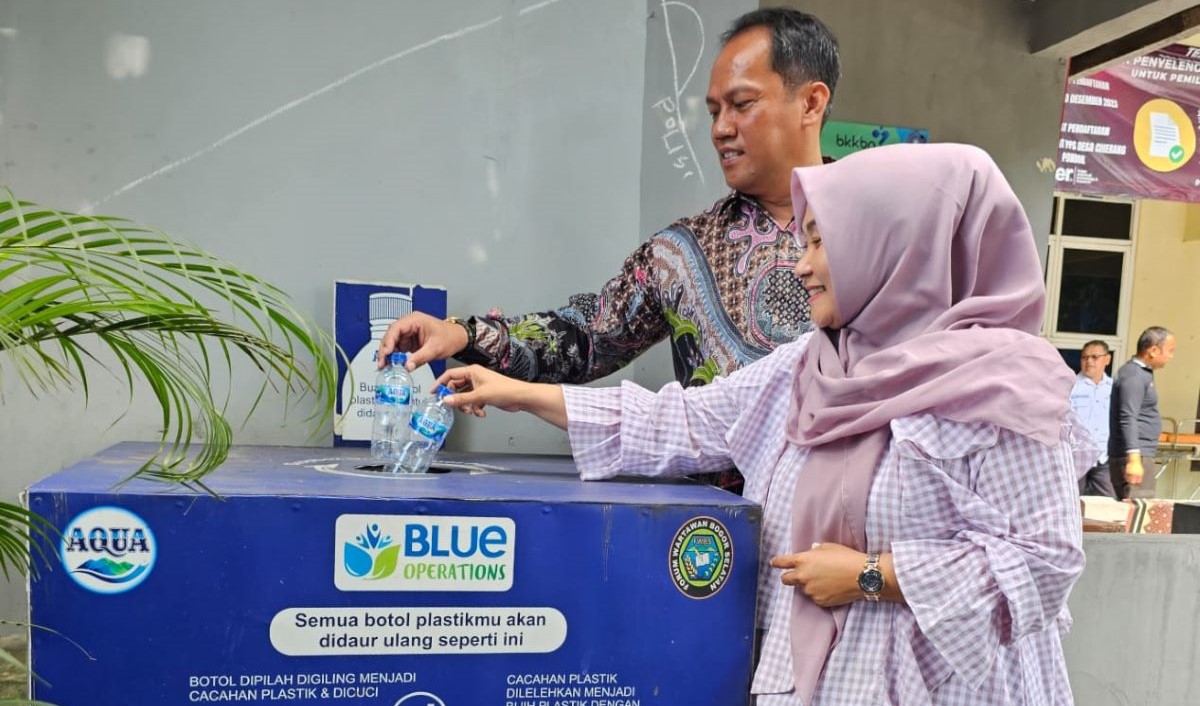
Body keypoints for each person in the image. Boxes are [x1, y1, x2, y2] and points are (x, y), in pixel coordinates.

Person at [435, 143, 1084, 705]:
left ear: (896, 243)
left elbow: (1044, 561)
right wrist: (526, 394)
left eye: (823, 241)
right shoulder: (810, 368)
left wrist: (872, 575)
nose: (801, 265)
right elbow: (681, 421)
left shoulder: (1003, 387)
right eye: (804, 240)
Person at [378, 8, 841, 492]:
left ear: (810, 103)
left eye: (742, 104)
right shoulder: (681, 253)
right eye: (712, 111)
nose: (721, 128)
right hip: (720, 539)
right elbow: (587, 337)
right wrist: (462, 334)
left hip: (857, 538)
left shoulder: (886, 233)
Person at [1108, 326, 1177, 500]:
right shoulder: (1133, 375)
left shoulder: (1142, 374)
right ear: (1153, 350)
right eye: (1170, 351)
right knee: (1137, 516)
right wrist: (1134, 460)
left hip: (1140, 453)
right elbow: (1128, 416)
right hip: (1133, 456)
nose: (1171, 356)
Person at [1071, 340, 1114, 496]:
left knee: (1108, 505)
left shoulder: (1113, 387)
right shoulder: (1071, 385)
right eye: (1084, 357)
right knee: (1072, 502)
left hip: (1103, 457)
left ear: (1107, 359)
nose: (1089, 361)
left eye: (1094, 357)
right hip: (1076, 457)